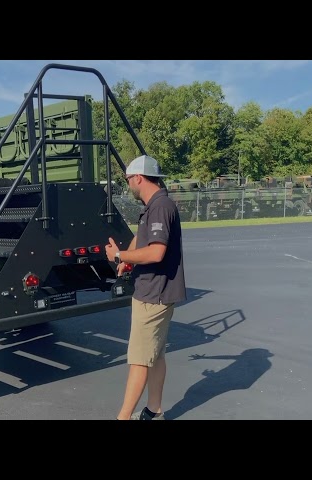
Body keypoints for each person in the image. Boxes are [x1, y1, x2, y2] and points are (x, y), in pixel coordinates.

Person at [105, 154, 186, 420]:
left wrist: (119, 257)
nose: (128, 185)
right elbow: (141, 237)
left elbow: (155, 253)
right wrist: (126, 258)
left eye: (129, 179)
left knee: (139, 360)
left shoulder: (160, 207)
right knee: (155, 355)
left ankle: (123, 417)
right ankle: (154, 410)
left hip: (154, 295)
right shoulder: (153, 206)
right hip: (156, 292)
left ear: (138, 177)